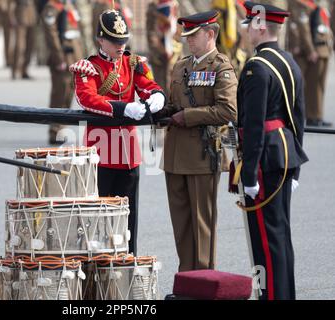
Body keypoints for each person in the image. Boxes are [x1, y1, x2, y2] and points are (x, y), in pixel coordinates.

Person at [69, 9, 166, 255]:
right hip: (101, 154)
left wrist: (157, 95)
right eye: (114, 41)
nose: (120, 46)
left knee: (128, 217)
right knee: (98, 217)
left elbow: (148, 86)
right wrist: (124, 108)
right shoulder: (89, 67)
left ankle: (127, 262)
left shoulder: (133, 63)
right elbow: (87, 99)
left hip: (128, 154)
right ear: (101, 39)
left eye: (123, 41)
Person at [236, 1, 309, 299]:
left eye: (250, 24)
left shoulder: (257, 67)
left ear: (261, 26)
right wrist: (297, 167)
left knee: (265, 239)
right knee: (280, 236)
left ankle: (271, 296)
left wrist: (249, 175)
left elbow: (253, 125)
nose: (247, 30)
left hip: (265, 159)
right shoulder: (289, 61)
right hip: (286, 154)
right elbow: (299, 117)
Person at [158, 10, 237, 272]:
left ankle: (203, 279)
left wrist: (188, 116)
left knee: (203, 224)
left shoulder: (221, 67)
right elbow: (173, 104)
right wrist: (161, 111)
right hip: (175, 155)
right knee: (181, 223)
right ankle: (187, 277)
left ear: (210, 34)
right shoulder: (181, 66)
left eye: (194, 35)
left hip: (203, 155)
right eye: (186, 35)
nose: (188, 40)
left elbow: (228, 111)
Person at [42, 0, 83, 144]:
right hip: (62, 57)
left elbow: (77, 33)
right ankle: (54, 130)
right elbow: (51, 35)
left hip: (73, 57)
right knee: (59, 93)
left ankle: (62, 126)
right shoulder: (51, 7)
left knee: (69, 92)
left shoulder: (69, 5)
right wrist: (59, 58)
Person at [288, 0, 333, 127]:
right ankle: (312, 116)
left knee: (319, 86)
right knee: (313, 87)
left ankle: (317, 115)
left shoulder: (318, 6)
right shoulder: (302, 5)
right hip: (315, 50)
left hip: (324, 49)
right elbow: (304, 29)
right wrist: (310, 50)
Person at [146, 0, 182, 95]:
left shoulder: (175, 5)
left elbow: (179, 28)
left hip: (174, 51)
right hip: (158, 53)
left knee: (175, 84)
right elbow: (150, 31)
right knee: (160, 85)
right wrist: (159, 47)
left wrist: (174, 43)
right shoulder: (153, 7)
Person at [9, 0, 36, 79]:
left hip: (32, 17)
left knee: (30, 46)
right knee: (19, 46)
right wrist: (11, 17)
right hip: (20, 17)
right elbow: (11, 4)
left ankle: (25, 70)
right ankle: (15, 70)